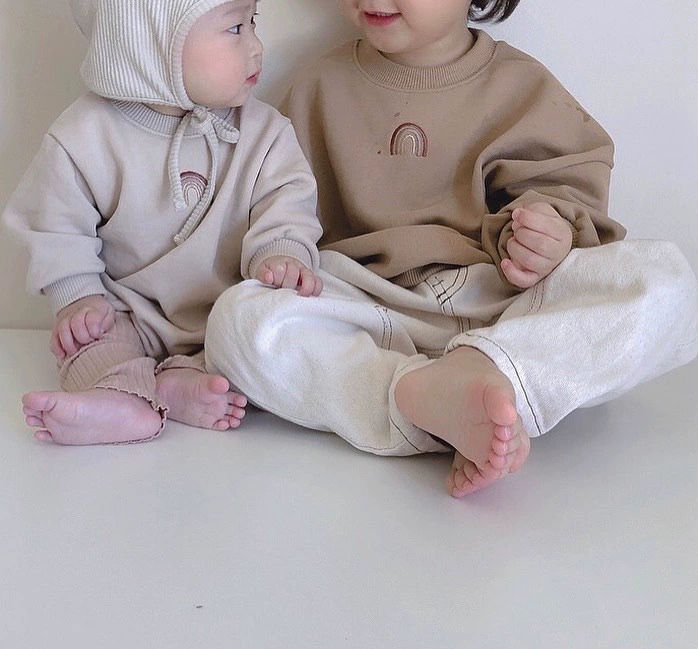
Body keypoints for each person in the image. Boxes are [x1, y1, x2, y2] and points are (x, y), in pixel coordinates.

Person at [205, 0, 698, 496]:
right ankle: (424, 395)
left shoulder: (521, 86)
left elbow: (567, 191)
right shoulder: (319, 87)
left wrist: (549, 232)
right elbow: (276, 200)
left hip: (499, 308)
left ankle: (488, 375)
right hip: (368, 307)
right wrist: (284, 254)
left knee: (666, 281)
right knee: (237, 318)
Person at [1, 0, 324, 446]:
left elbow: (287, 200)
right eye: (235, 28)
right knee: (87, 342)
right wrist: (78, 296)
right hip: (127, 311)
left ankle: (175, 385)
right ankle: (118, 395)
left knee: (272, 338)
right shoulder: (86, 135)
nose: (256, 47)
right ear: (151, 42)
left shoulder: (265, 132)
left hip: (225, 313)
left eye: (253, 23)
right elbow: (54, 223)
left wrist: (281, 251)